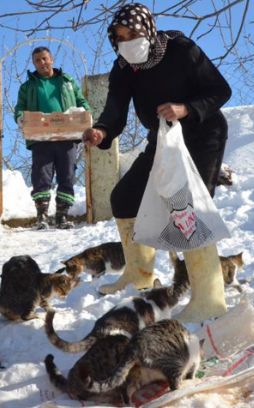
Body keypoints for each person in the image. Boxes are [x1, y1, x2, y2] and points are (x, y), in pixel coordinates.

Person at [82, 3, 232, 324]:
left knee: (188, 211)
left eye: (133, 33)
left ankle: (209, 298)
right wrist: (101, 130)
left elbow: (220, 90)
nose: (128, 42)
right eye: (120, 37)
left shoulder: (181, 49)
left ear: (148, 29)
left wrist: (185, 108)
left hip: (202, 134)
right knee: (124, 198)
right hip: (162, 139)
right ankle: (139, 274)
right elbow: (115, 111)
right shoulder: (123, 68)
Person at [15, 46, 91, 230]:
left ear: (51, 59)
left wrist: (85, 114)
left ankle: (61, 217)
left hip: (67, 137)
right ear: (34, 64)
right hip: (41, 138)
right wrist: (20, 118)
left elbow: (81, 102)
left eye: (44, 59)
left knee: (67, 174)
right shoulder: (28, 87)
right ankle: (42, 216)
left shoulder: (67, 81)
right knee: (41, 176)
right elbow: (20, 108)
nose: (42, 63)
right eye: (37, 60)